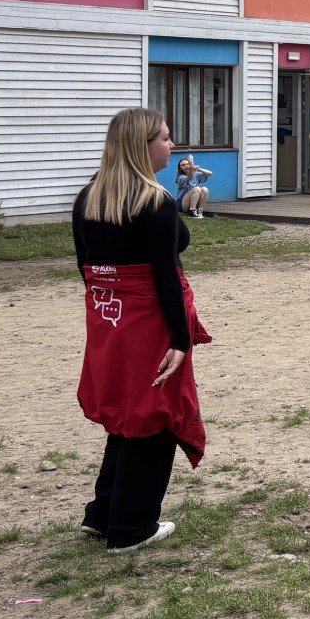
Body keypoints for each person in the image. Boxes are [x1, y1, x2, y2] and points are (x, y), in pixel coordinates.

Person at [72, 107, 210, 553]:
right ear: (141, 145)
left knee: (127, 413)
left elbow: (86, 268)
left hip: (109, 317)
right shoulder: (153, 202)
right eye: (165, 138)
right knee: (154, 416)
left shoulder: (90, 197)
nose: (172, 145)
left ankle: (103, 513)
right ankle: (132, 527)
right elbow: (165, 275)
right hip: (149, 321)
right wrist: (179, 340)